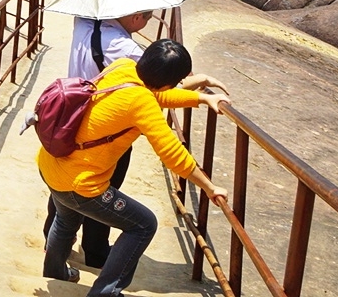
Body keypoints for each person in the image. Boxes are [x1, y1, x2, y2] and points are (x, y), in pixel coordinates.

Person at [39, 39, 228, 296]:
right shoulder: (141, 101)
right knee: (143, 224)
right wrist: (210, 187)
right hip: (79, 183)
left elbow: (156, 95)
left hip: (52, 163)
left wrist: (201, 99)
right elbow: (173, 154)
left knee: (65, 218)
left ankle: (56, 274)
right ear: (168, 81)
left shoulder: (124, 67)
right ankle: (106, 292)